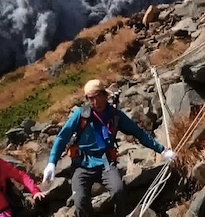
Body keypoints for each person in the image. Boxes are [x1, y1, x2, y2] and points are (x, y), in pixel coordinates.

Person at [42, 79, 176, 217]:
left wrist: (162, 150)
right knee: (80, 200)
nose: (95, 102)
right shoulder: (81, 115)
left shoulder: (115, 115)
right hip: (82, 164)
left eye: (98, 96)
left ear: (105, 95)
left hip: (106, 162)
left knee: (119, 190)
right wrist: (52, 162)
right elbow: (62, 138)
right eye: (91, 98)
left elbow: (138, 133)